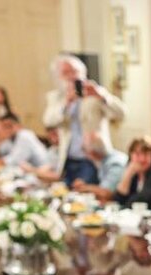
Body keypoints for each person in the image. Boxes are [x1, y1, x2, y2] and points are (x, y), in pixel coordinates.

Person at [43, 54, 125, 186]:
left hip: (93, 158)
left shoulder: (96, 93)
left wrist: (102, 96)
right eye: (66, 72)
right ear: (59, 77)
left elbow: (121, 114)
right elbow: (48, 121)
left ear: (83, 73)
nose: (72, 76)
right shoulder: (56, 98)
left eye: (75, 71)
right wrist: (67, 103)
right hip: (67, 159)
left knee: (86, 197)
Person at [73, 133, 128, 203]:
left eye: (86, 152)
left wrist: (85, 188)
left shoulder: (115, 163)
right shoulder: (103, 161)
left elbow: (106, 193)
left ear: (92, 153)